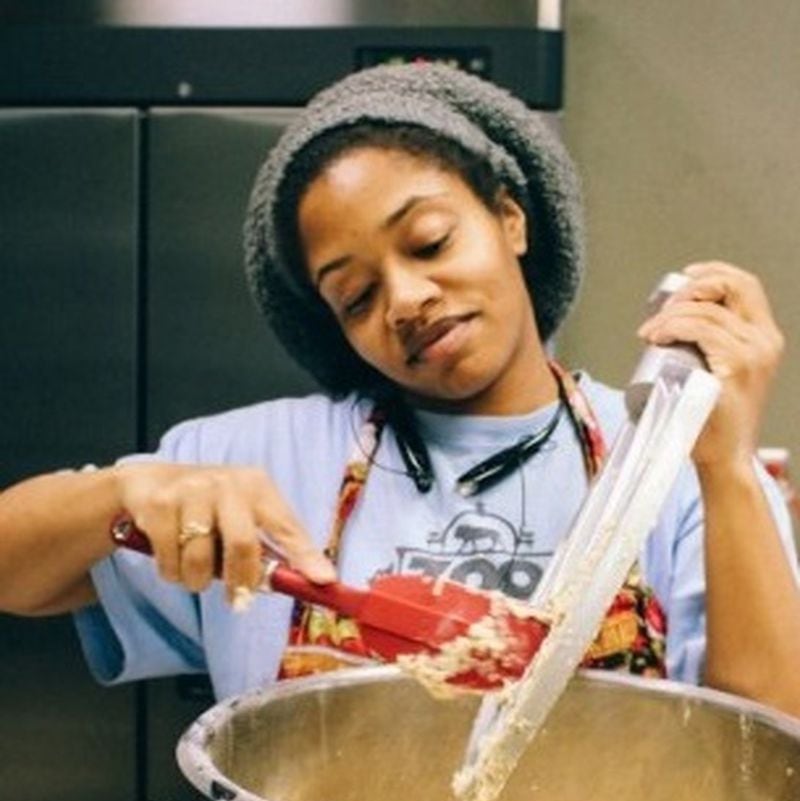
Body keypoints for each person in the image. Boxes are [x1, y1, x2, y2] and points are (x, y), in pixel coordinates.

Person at [0, 62, 799, 716]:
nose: (406, 300)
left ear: (512, 220)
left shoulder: (670, 464)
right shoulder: (260, 459)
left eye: (429, 241)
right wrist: (133, 489)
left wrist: (726, 468)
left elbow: (771, 756)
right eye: (355, 296)